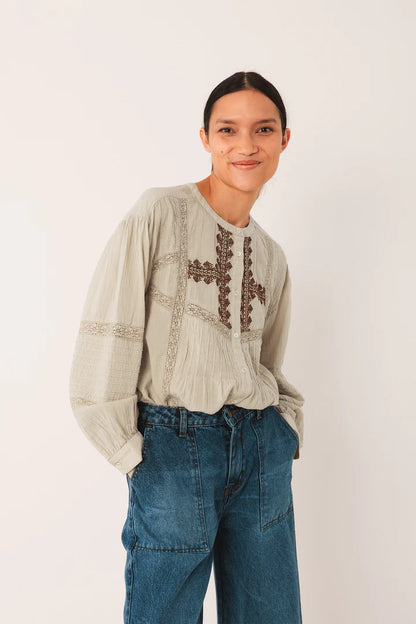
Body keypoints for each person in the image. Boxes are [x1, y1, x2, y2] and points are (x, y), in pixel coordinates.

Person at [69, 70, 305, 624]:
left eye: (263, 129)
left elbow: (267, 361)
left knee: (271, 615)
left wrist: (284, 429)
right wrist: (133, 454)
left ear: (283, 139)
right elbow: (108, 330)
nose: (246, 145)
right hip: (173, 450)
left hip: (260, 451)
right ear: (205, 138)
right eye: (228, 129)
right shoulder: (158, 212)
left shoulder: (271, 255)